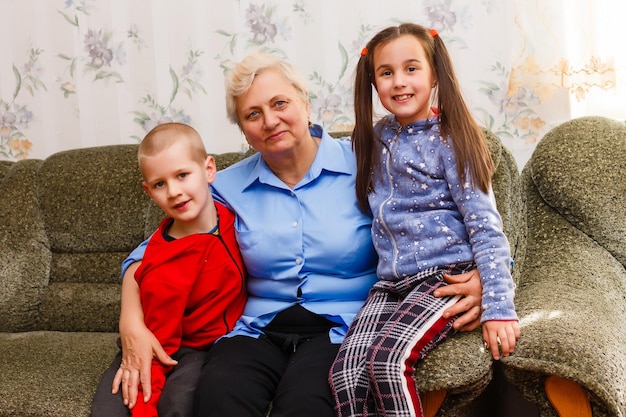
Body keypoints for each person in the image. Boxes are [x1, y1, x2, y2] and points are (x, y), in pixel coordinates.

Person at [108, 52, 485, 417]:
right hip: (255, 328)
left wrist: (482, 277)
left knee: (308, 405)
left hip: (343, 327)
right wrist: (131, 323)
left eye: (279, 103)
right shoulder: (224, 185)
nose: (270, 121)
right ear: (242, 129)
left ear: (305, 102)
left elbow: (444, 215)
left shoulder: (369, 161)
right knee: (218, 397)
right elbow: (149, 253)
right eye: (252, 114)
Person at [329, 23, 521, 417]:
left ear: (434, 74)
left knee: (387, 362)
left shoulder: (452, 138)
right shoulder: (374, 137)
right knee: (345, 373)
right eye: (386, 72)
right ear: (373, 81)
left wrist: (499, 305)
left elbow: (486, 226)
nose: (399, 82)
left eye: (411, 68)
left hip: (443, 276)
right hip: (389, 284)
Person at [90, 122, 246, 417]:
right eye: (160, 184)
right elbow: (156, 350)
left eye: (182, 175)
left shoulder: (233, 216)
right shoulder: (163, 261)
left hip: (216, 346)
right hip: (169, 346)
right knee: (132, 400)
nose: (174, 191)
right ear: (149, 192)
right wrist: (144, 405)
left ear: (209, 169)